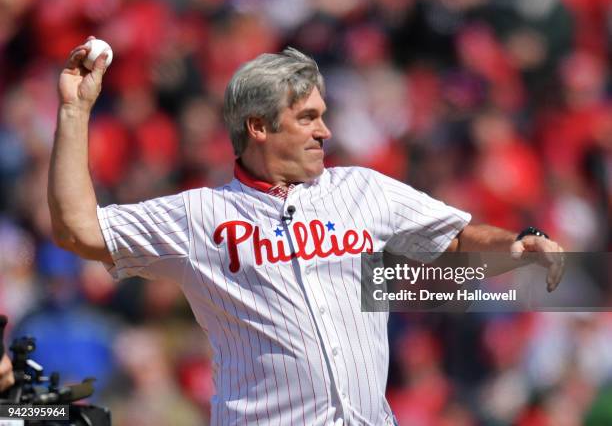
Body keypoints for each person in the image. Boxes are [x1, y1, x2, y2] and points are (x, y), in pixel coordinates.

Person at [45, 37, 564, 425]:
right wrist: (75, 110)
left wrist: (516, 245)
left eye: (323, 116)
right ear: (259, 126)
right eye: (308, 118)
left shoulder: (364, 190)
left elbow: (453, 238)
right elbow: (78, 230)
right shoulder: (200, 215)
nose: (325, 130)